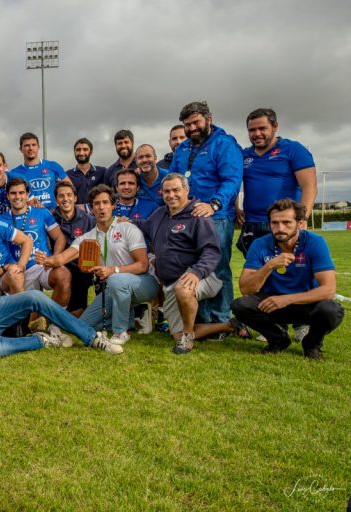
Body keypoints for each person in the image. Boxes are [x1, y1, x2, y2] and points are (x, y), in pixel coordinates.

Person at [142, 174, 249, 354]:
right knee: (176, 333)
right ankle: (229, 326)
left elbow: (212, 251)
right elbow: (143, 225)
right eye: (167, 191)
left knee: (183, 289)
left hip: (202, 276)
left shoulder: (198, 214)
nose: (171, 195)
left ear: (186, 190)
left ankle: (188, 338)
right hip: (170, 283)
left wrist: (196, 272)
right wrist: (124, 222)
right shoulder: (160, 214)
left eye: (176, 190)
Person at [40, 185, 159, 344]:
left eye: (105, 203)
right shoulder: (88, 237)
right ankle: (137, 315)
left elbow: (143, 265)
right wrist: (45, 259)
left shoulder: (128, 228)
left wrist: (112, 270)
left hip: (144, 283)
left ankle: (121, 331)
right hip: (113, 288)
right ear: (91, 208)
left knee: (116, 280)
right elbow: (61, 259)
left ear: (113, 206)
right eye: (97, 204)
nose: (101, 207)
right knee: (84, 324)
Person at [232, 199, 343, 360]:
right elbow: (246, 289)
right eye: (274, 223)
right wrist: (269, 266)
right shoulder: (260, 244)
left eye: (286, 222)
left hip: (305, 303)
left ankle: (312, 344)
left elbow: (328, 290)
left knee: (331, 310)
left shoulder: (315, 242)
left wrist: (287, 299)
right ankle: (278, 339)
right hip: (272, 303)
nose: (280, 228)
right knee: (240, 305)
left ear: (299, 223)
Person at [169, 101, 243, 326]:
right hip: (188, 217)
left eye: (196, 122)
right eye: (187, 124)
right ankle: (200, 317)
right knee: (193, 266)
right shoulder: (182, 148)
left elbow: (232, 180)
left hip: (216, 217)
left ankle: (220, 319)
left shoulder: (224, 144)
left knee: (217, 267)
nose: (191, 128)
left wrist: (214, 205)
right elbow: (172, 179)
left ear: (208, 118)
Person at [237, 108, 317, 256]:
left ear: (275, 127)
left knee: (287, 272)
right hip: (252, 225)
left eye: (262, 128)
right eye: (252, 130)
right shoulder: (244, 154)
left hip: (283, 223)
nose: (257, 134)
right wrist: (236, 208)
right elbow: (232, 181)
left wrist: (303, 218)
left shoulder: (293, 149)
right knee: (255, 273)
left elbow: (310, 186)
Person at [0, 177, 71, 307]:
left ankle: (55, 324)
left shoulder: (42, 213)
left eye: (21, 193)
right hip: (15, 270)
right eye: (13, 193)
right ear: (8, 196)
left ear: (27, 195)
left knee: (63, 274)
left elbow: (60, 237)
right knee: (28, 311)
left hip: (40, 266)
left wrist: (53, 259)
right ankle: (27, 322)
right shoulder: (0, 220)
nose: (17, 197)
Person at [50, 181, 96, 316]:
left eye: (69, 195)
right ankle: (58, 313)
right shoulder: (51, 220)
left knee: (78, 313)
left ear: (75, 198)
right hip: (60, 265)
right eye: (61, 196)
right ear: (56, 200)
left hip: (83, 267)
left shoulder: (89, 220)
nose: (65, 199)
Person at [10, 132, 69, 209]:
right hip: (30, 216)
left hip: (54, 214)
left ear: (38, 147)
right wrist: (28, 202)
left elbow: (69, 188)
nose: (31, 148)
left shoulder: (53, 166)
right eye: (27, 145)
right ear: (21, 149)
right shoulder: (15, 173)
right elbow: (12, 198)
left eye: (33, 145)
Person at [66, 137, 106, 209]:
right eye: (78, 150)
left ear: (91, 152)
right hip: (77, 217)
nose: (81, 153)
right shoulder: (67, 175)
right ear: (74, 152)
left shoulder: (102, 172)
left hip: (98, 215)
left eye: (85, 150)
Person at [134, 143, 168, 212]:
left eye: (148, 156)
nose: (144, 160)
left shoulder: (168, 177)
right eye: (140, 157)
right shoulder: (134, 179)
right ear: (136, 161)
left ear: (155, 158)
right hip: (141, 220)